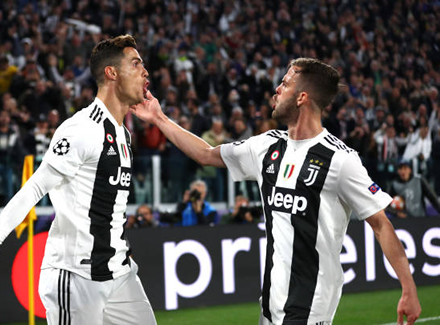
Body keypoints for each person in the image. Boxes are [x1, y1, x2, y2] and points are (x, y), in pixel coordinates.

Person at [130, 58, 421, 325]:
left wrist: (408, 289)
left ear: (302, 97)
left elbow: (381, 224)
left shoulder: (341, 160)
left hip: (311, 304)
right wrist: (159, 118)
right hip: (271, 302)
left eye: (285, 83)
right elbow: (206, 154)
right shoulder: (266, 145)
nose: (277, 89)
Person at [0, 35, 156, 325]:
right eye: (136, 63)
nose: (145, 71)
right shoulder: (81, 129)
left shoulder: (123, 134)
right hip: (77, 276)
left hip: (120, 274)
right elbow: (33, 189)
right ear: (112, 73)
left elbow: (109, 210)